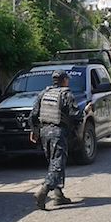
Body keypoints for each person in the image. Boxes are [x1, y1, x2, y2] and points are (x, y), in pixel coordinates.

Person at [29, 70, 92, 210]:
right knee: (57, 164)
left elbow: (33, 115)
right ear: (64, 80)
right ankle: (43, 191)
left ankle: (59, 196)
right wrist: (86, 111)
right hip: (58, 133)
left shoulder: (43, 93)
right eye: (67, 79)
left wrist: (34, 131)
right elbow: (75, 115)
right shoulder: (66, 94)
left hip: (44, 132)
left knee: (53, 163)